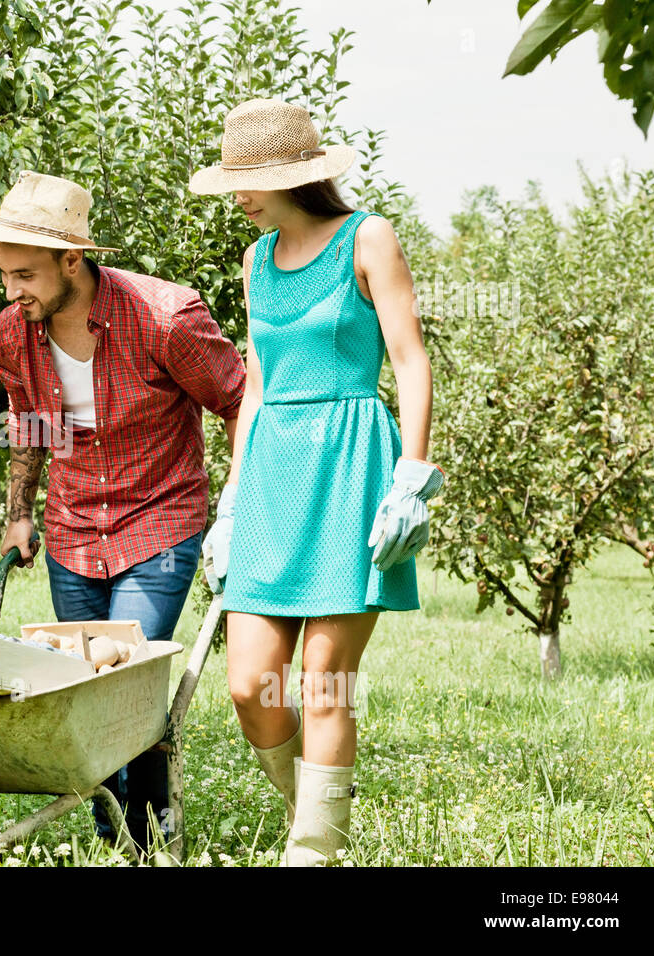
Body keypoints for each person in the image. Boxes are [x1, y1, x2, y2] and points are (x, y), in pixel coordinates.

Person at [0, 170, 246, 856]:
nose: (11, 291)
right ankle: (111, 835)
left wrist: (238, 502)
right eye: (3, 275)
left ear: (72, 258)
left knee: (125, 680)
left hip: (160, 523)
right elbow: (27, 422)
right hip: (73, 529)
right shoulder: (14, 331)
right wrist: (19, 513)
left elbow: (239, 400)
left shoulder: (164, 317)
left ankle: (148, 840)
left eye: (23, 274)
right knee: (80, 694)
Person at [189, 99, 445, 866]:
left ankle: (314, 852)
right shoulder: (255, 259)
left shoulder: (367, 237)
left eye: (247, 181)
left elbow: (410, 359)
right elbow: (258, 385)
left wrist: (412, 479)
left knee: (326, 678)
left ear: (290, 177)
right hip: (273, 471)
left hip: (352, 463)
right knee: (249, 685)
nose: (236, 195)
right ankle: (319, 810)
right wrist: (233, 500)